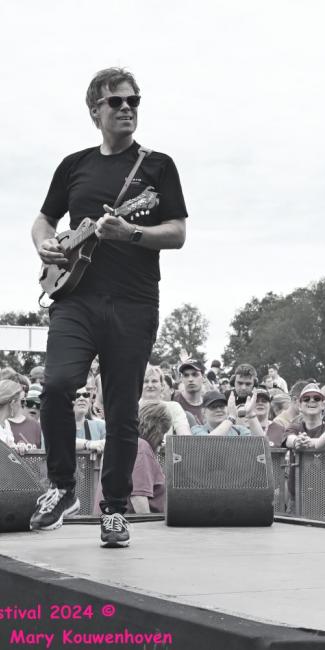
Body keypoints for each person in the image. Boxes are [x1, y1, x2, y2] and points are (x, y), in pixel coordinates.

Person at [29, 67, 187, 547]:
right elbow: (44, 219)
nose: (126, 108)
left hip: (133, 302)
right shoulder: (74, 165)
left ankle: (114, 509)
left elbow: (177, 232)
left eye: (133, 101)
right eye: (115, 101)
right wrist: (45, 245)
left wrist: (132, 232)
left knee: (121, 411)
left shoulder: (157, 167)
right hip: (75, 297)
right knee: (57, 385)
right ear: (94, 111)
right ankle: (62, 487)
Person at [140, 365, 191, 436]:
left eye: (154, 381)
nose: (150, 385)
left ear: (162, 386)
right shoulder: (132, 408)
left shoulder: (173, 407)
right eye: (145, 381)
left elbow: (184, 435)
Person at [0, 380, 35, 455]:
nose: (23, 405)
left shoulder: (6, 424)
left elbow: (9, 454)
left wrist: (18, 447)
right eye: (22, 401)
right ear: (12, 403)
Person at [174, 359, 206, 425]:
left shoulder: (209, 404)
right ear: (182, 379)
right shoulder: (174, 402)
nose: (190, 379)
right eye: (186, 375)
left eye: (195, 375)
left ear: (203, 377)